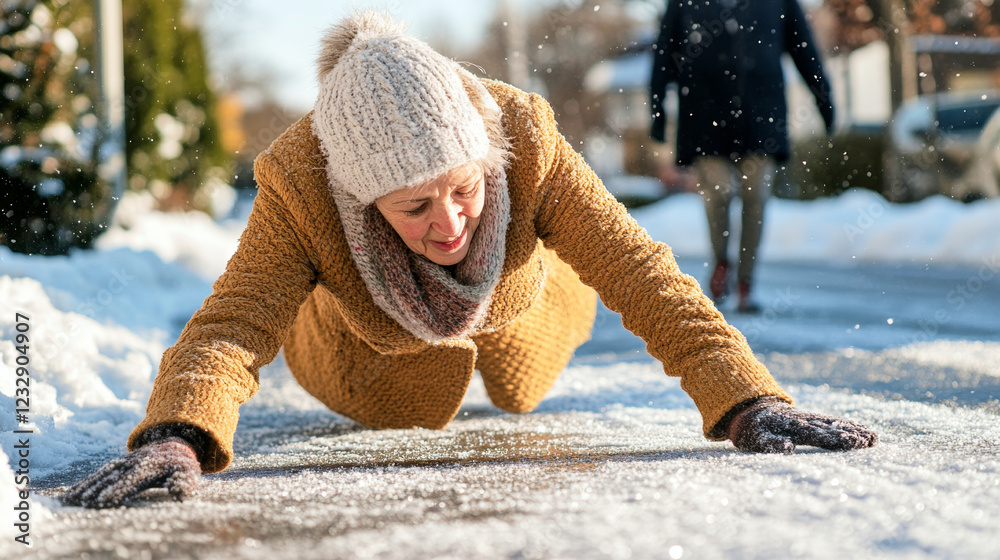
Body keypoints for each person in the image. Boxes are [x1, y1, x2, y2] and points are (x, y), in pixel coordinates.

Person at [63, 11, 875, 509]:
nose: (448, 221)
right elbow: (234, 323)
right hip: (366, 354)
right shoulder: (301, 179)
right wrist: (177, 433)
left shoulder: (527, 138)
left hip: (525, 317)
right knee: (333, 337)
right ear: (359, 195)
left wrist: (745, 401)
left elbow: (640, 269)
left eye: (464, 190)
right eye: (413, 207)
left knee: (527, 364)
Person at [649, 0, 835, 312]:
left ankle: (746, 281)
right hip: (704, 114)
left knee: (756, 195)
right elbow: (664, 55)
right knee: (719, 192)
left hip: (762, 115)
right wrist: (656, 111)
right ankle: (722, 260)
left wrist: (823, 97)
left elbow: (804, 48)